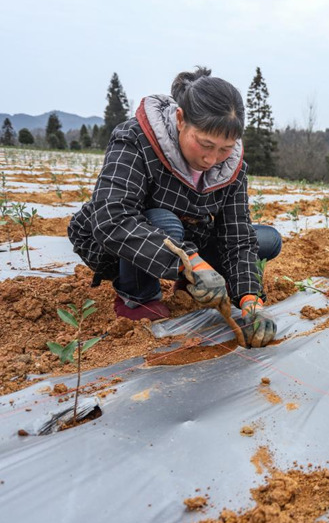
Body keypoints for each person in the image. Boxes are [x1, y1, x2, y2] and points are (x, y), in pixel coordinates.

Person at [68, 67, 280, 347]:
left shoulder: (232, 167)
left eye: (225, 148)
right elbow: (111, 217)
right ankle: (138, 296)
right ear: (180, 120)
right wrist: (189, 263)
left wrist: (251, 300)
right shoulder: (136, 139)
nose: (211, 159)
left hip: (188, 237)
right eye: (205, 144)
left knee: (267, 240)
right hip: (118, 240)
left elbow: (237, 235)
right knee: (164, 221)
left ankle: (192, 284)